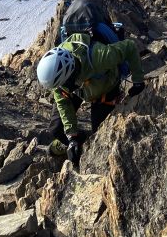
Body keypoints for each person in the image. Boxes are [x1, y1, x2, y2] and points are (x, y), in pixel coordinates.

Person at [36, 29, 145, 164]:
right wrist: (72, 138)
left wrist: (138, 80)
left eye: (62, 84)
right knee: (56, 130)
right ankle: (76, 142)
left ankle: (87, 139)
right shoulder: (59, 79)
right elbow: (63, 103)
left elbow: (129, 46)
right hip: (78, 86)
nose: (59, 89)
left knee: (100, 136)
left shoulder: (100, 57)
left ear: (69, 74)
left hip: (104, 86)